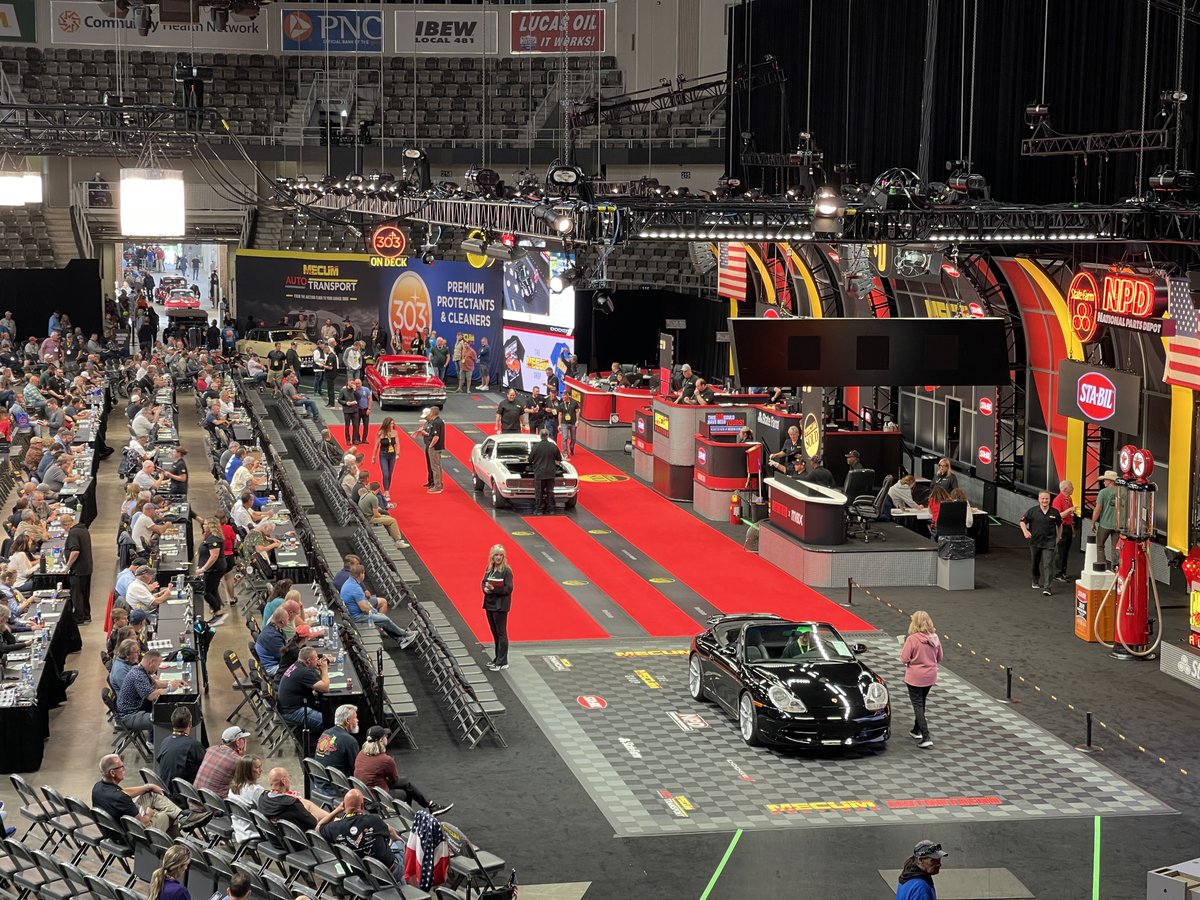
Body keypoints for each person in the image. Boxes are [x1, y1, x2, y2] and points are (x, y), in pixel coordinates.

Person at [92, 753, 204, 836]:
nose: (124, 769)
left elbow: (124, 792)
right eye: (121, 767)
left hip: (116, 830)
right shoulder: (121, 798)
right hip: (133, 835)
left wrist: (148, 787)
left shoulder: (98, 788)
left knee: (150, 795)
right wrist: (149, 814)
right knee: (166, 815)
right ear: (112, 772)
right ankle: (177, 850)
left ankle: (181, 816)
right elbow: (143, 821)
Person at [353, 726, 452, 814]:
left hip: (366, 793)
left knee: (405, 782)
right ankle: (408, 817)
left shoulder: (361, 754)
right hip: (376, 797)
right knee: (404, 793)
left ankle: (431, 805)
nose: (387, 737)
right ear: (381, 740)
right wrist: (391, 765)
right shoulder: (385, 759)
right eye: (385, 736)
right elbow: (394, 779)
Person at [316, 788, 405, 877]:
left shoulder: (335, 828)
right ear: (362, 806)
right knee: (399, 843)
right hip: (389, 873)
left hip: (364, 876)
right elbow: (391, 832)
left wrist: (337, 810)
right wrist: (399, 840)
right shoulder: (374, 820)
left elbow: (318, 827)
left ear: (344, 806)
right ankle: (403, 886)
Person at [340, 564, 415, 646]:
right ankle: (404, 635)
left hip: (352, 613)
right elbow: (364, 609)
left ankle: (400, 640)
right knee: (385, 619)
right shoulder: (355, 588)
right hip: (357, 616)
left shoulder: (349, 582)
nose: (364, 575)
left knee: (382, 618)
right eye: (364, 573)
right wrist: (374, 612)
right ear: (360, 574)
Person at [900, 611, 942, 750]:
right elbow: (939, 657)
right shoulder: (935, 638)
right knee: (922, 701)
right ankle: (916, 730)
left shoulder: (912, 639)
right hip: (930, 675)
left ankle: (926, 736)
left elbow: (904, 658)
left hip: (915, 677)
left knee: (917, 704)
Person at [116, 649, 181, 738]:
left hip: (135, 709)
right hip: (129, 716)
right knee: (163, 719)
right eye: (158, 665)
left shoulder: (141, 670)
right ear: (151, 662)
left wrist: (174, 682)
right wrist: (170, 689)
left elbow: (157, 684)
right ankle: (153, 742)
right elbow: (152, 696)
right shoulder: (138, 675)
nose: (158, 668)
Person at [156, 707, 205, 804]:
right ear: (190, 724)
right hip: (184, 797)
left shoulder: (165, 741)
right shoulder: (193, 745)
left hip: (166, 794)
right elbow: (206, 767)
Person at [276, 647, 331, 731]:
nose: (318, 660)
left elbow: (318, 681)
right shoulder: (304, 672)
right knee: (329, 722)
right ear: (308, 661)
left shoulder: (297, 665)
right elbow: (325, 688)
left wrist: (320, 670)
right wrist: (324, 669)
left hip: (288, 706)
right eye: (316, 658)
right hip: (292, 711)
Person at [1021, 490, 1062, 596]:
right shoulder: (1032, 511)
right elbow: (1022, 521)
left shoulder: (1055, 512)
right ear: (1039, 499)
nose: (1045, 500)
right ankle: (1035, 579)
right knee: (1035, 562)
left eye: (1047, 498)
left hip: (1049, 542)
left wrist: (1058, 537)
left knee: (1048, 564)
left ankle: (1047, 587)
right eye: (1042, 498)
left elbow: (1060, 524)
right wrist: (1025, 531)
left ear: (1050, 499)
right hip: (1035, 541)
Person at [194, 726, 250, 799]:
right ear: (237, 742)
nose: (246, 742)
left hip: (196, 800)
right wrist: (242, 756)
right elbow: (246, 785)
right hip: (215, 806)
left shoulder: (210, 749)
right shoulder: (237, 760)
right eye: (243, 739)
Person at [258, 767, 323, 829]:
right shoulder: (291, 804)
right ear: (284, 780)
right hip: (301, 838)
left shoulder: (262, 798)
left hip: (278, 836)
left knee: (307, 803)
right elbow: (313, 822)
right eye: (289, 777)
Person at [482, 544, 512, 671]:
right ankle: (497, 658)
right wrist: (485, 589)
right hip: (490, 603)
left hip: (500, 606)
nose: (498, 557)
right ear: (492, 556)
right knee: (495, 633)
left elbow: (509, 588)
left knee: (501, 633)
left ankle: (502, 661)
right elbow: (483, 582)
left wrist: (494, 589)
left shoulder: (506, 570)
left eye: (500, 555)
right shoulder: (490, 568)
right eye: (496, 555)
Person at [61, 509, 93, 624]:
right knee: (85, 593)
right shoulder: (83, 529)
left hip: (78, 569)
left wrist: (68, 566)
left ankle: (79, 617)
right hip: (87, 567)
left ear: (66, 525)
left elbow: (75, 551)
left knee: (77, 594)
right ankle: (86, 614)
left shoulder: (73, 533)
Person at [315, 704, 361, 783]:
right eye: (355, 717)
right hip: (337, 787)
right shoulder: (350, 741)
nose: (357, 720)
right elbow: (357, 769)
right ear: (347, 720)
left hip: (319, 783)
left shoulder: (325, 733)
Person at [225, 756, 265, 843]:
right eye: (257, 767)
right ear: (248, 771)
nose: (261, 770)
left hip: (239, 829)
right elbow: (268, 810)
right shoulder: (256, 791)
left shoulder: (232, 788)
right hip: (255, 832)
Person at [360, 482, 410, 549]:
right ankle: (398, 541)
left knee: (388, 518)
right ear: (377, 490)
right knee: (392, 520)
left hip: (365, 516)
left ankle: (394, 537)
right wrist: (382, 516)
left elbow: (374, 507)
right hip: (370, 518)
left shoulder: (366, 494)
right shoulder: (373, 498)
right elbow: (376, 515)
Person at [197, 517, 227, 623]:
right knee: (212, 589)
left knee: (205, 591)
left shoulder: (213, 539)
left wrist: (203, 569)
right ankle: (217, 612)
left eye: (205, 524)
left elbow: (214, 556)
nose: (203, 526)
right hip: (212, 569)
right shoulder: (210, 537)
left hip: (214, 569)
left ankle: (218, 611)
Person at [529, 428, 561, 514]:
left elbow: (530, 459)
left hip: (539, 473)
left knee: (539, 492)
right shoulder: (553, 446)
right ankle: (551, 509)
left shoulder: (536, 447)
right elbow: (559, 458)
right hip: (551, 473)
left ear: (540, 436)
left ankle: (539, 510)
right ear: (548, 435)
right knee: (550, 492)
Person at [1092, 470, 1119, 571]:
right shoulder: (1123, 492)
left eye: (1105, 480)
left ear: (1110, 481)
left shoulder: (1103, 492)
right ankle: (1116, 569)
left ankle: (1101, 568)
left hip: (1104, 524)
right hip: (1118, 525)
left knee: (1100, 546)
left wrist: (1093, 522)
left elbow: (1097, 509)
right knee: (1115, 548)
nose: (1103, 482)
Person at [1052, 479, 1076, 582]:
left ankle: (1063, 572)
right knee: (1061, 551)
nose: (1073, 489)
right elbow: (1058, 516)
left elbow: (1069, 516)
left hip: (1068, 526)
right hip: (1061, 527)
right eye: (1071, 487)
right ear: (1066, 489)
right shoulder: (1058, 500)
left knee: (1065, 551)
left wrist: (1072, 529)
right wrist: (1069, 510)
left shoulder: (1068, 499)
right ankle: (1058, 573)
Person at [372, 417, 398, 496]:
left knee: (390, 474)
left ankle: (387, 489)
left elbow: (397, 444)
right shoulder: (380, 433)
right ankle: (386, 491)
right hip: (383, 454)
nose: (392, 425)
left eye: (393, 423)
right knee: (385, 473)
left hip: (392, 454)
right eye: (390, 423)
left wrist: (397, 454)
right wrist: (373, 456)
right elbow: (376, 445)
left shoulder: (395, 432)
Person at [423, 405, 444, 494]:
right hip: (439, 446)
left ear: (432, 413)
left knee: (434, 467)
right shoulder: (440, 421)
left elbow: (436, 436)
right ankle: (439, 483)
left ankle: (437, 486)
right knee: (438, 466)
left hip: (434, 447)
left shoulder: (435, 422)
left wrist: (431, 446)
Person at [560, 388, 579, 459]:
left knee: (573, 438)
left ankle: (571, 448)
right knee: (564, 437)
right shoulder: (561, 404)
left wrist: (577, 421)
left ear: (568, 396)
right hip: (564, 423)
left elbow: (577, 412)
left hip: (573, 422)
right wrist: (559, 424)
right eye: (562, 396)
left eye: (564, 396)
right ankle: (565, 452)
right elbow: (560, 414)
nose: (563, 397)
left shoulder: (574, 402)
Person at [339, 379, 359, 445]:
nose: (352, 384)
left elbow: (359, 398)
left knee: (355, 426)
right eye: (351, 383)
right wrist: (346, 403)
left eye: (353, 383)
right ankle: (348, 440)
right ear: (348, 383)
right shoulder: (343, 390)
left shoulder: (355, 390)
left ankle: (355, 439)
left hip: (355, 410)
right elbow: (339, 400)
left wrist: (355, 390)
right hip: (347, 410)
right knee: (347, 426)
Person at [354, 377, 372, 445]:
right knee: (356, 425)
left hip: (365, 409)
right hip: (357, 410)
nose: (357, 385)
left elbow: (370, 399)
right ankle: (357, 438)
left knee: (366, 425)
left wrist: (369, 409)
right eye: (356, 383)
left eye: (358, 383)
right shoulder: (354, 390)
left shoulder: (366, 389)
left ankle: (364, 439)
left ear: (361, 383)